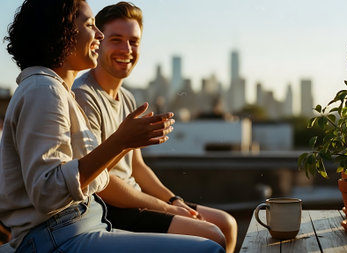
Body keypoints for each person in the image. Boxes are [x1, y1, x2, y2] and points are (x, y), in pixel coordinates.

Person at [0, 0, 225, 252]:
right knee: (209, 247)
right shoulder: (43, 91)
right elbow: (48, 193)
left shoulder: (57, 92)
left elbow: (114, 168)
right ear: (61, 32)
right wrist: (121, 141)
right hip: (57, 234)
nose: (98, 34)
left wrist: (170, 197)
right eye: (89, 25)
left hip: (84, 224)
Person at [73, 2, 237, 252]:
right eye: (116, 39)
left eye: (134, 41)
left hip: (138, 199)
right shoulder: (83, 95)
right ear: (99, 41)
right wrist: (167, 209)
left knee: (227, 224)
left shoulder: (127, 98)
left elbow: (137, 166)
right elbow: (98, 182)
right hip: (110, 209)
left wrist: (174, 199)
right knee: (212, 235)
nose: (127, 49)